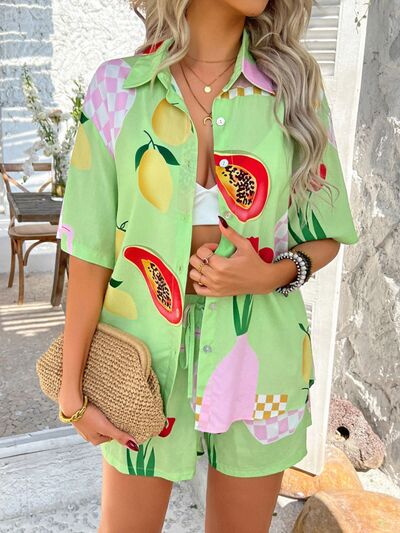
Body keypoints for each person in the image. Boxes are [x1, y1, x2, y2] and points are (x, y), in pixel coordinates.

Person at [56, 0, 359, 531]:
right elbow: (90, 249)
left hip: (261, 356)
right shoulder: (117, 89)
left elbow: (327, 233)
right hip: (138, 360)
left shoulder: (294, 91)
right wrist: (71, 388)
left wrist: (269, 274)